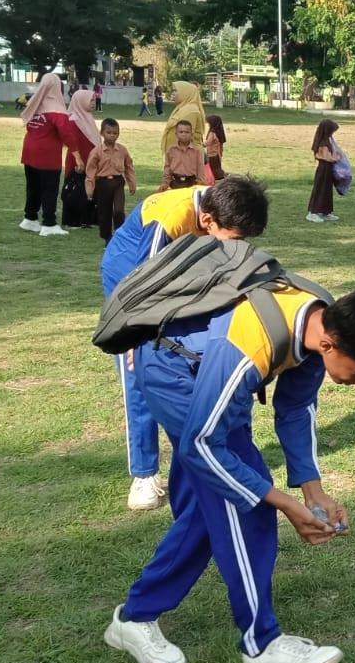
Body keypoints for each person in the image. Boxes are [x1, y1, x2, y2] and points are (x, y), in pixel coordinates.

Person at [102, 283, 355, 663]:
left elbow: (295, 408)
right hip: (174, 371)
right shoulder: (253, 343)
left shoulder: (319, 321)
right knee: (244, 500)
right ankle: (262, 648)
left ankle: (135, 616)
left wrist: (313, 490)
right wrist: (284, 503)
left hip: (206, 370)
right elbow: (205, 444)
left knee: (205, 512)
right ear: (330, 344)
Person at [100, 178, 272, 511]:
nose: (238, 246)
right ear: (207, 222)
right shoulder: (169, 219)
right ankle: (144, 474)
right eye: (235, 239)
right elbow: (142, 285)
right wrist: (138, 339)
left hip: (177, 272)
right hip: (131, 278)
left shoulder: (224, 204)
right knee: (140, 373)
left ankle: (202, 453)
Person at [18, 72, 86, 236]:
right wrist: (77, 155)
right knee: (50, 189)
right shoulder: (56, 109)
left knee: (33, 187)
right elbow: (66, 133)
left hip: (29, 152)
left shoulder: (35, 105)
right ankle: (49, 223)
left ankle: (30, 218)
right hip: (47, 155)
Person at [85, 117, 137, 243]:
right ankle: (107, 237)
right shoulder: (96, 152)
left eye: (115, 133)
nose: (112, 136)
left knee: (119, 211)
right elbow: (90, 171)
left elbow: (129, 167)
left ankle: (119, 235)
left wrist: (132, 183)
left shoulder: (122, 150)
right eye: (109, 133)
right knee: (104, 212)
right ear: (102, 133)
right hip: (102, 184)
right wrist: (90, 188)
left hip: (118, 182)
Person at [61, 88, 102, 229]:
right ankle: (74, 220)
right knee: (77, 190)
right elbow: (73, 143)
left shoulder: (87, 118)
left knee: (90, 189)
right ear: (81, 101)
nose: (93, 102)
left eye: (94, 99)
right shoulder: (74, 120)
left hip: (91, 161)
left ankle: (89, 219)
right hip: (79, 161)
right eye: (90, 100)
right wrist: (78, 160)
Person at [306, 118, 340, 222]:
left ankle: (326, 211)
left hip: (327, 169)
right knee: (320, 189)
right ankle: (313, 212)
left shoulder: (325, 140)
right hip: (324, 168)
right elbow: (328, 158)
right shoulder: (323, 142)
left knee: (327, 190)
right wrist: (337, 158)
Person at [160, 119, 204, 192]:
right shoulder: (171, 149)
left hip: (191, 183)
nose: (184, 134)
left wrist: (200, 183)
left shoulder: (197, 150)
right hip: (175, 182)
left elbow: (200, 168)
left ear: (191, 134)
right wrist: (165, 182)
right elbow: (167, 167)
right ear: (176, 134)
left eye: (187, 132)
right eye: (181, 132)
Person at [204, 114, 226, 185]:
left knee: (215, 170)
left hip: (212, 155)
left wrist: (197, 144)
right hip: (217, 154)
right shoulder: (218, 132)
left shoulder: (212, 133)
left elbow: (207, 143)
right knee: (217, 168)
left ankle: (221, 181)